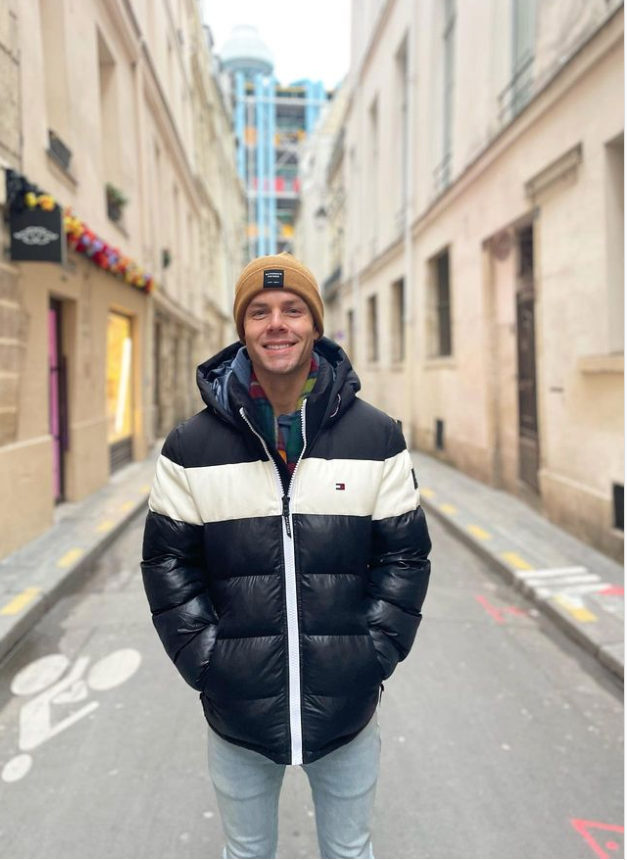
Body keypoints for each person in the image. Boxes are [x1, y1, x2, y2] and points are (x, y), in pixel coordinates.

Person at [141, 253, 432, 859]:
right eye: (260, 312)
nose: (277, 323)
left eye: (293, 309)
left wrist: (372, 654)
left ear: (315, 325)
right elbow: (168, 565)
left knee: (349, 851)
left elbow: (405, 558)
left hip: (347, 707)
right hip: (237, 710)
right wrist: (208, 663)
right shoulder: (190, 447)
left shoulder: (377, 437)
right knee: (247, 853)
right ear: (242, 329)